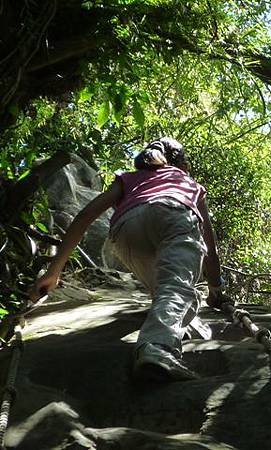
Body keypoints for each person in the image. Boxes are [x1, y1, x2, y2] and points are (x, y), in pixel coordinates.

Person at [29, 137, 228, 382]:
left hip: (126, 230)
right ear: (183, 165)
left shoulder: (128, 178)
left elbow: (86, 216)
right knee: (176, 287)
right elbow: (209, 242)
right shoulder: (188, 182)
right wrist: (216, 286)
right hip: (175, 213)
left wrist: (54, 272)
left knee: (164, 292)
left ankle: (173, 325)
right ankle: (158, 348)